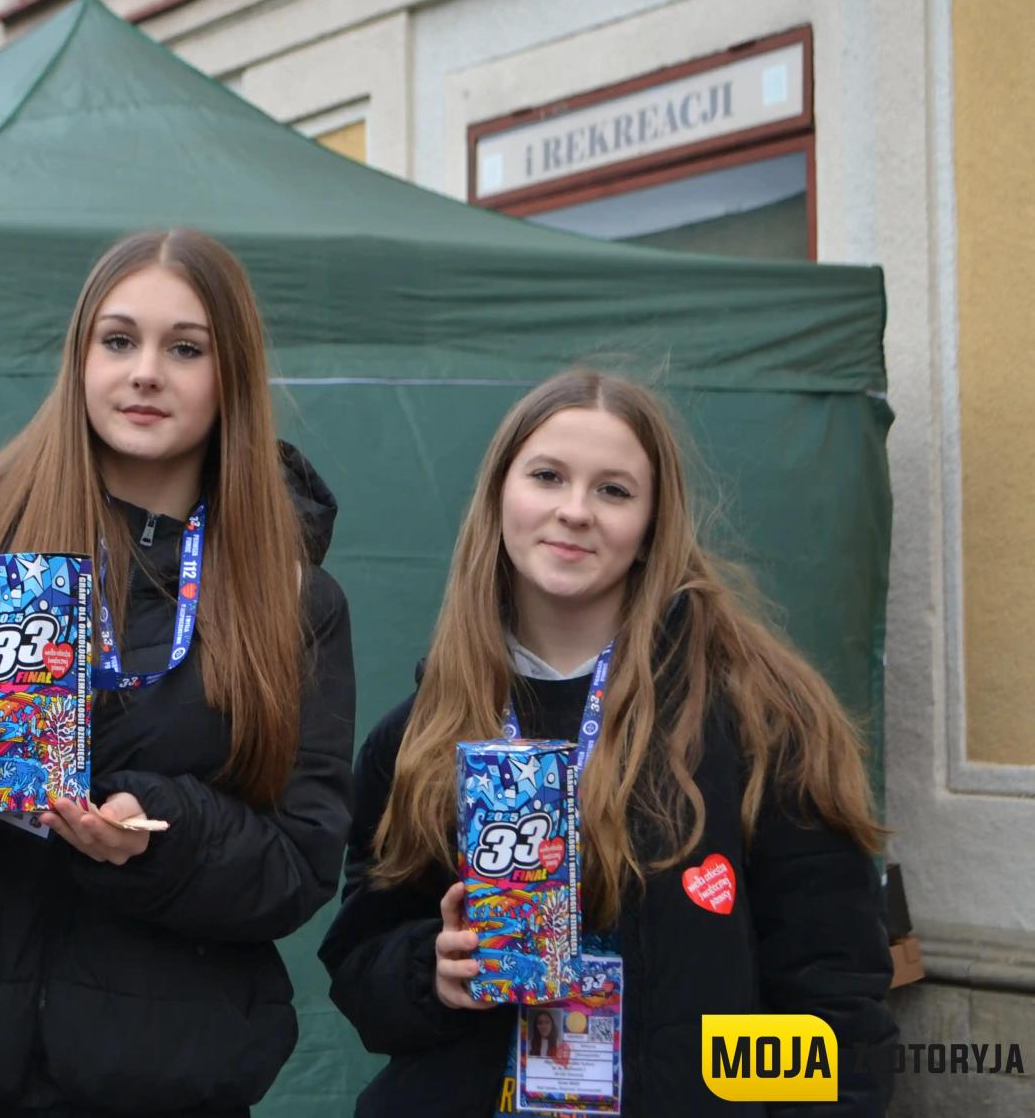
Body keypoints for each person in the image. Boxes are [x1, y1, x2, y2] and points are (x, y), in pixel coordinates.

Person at [0, 228, 355, 1117]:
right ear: (80, 358)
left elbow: (300, 860)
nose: (146, 373)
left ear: (233, 377)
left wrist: (157, 834)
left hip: (166, 1084)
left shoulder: (292, 597)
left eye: (185, 349)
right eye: (119, 340)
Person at [317, 369, 895, 1117]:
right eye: (548, 476)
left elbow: (829, 999)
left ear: (655, 523)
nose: (574, 511)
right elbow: (362, 964)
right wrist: (429, 969)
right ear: (499, 496)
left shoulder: (765, 719)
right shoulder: (419, 733)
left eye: (614, 491)